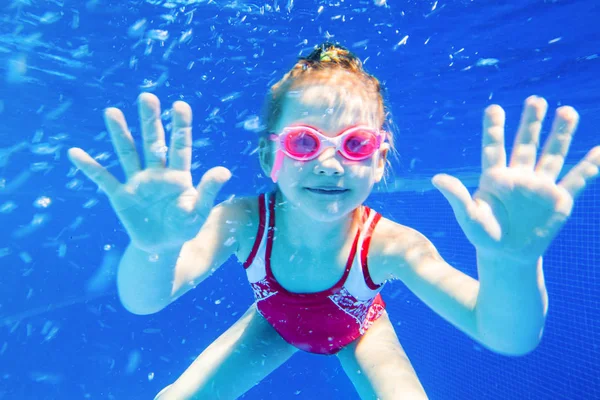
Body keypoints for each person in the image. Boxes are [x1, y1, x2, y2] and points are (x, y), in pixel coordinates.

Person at [67, 43, 599, 400]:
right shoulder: (243, 222)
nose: (328, 162)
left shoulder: (392, 245)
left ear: (379, 159)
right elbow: (146, 299)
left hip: (360, 331)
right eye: (303, 142)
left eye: (355, 143)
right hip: (269, 328)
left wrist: (511, 264)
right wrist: (152, 249)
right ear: (266, 154)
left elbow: (504, 334)